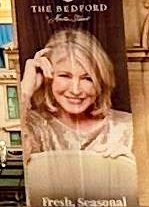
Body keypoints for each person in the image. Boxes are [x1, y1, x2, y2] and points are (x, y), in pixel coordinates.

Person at [21, 27, 130, 156]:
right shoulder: (32, 125)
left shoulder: (128, 128)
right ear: (47, 76)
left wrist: (127, 166)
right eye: (65, 76)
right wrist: (25, 89)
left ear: (101, 80)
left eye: (87, 78)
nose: (75, 90)